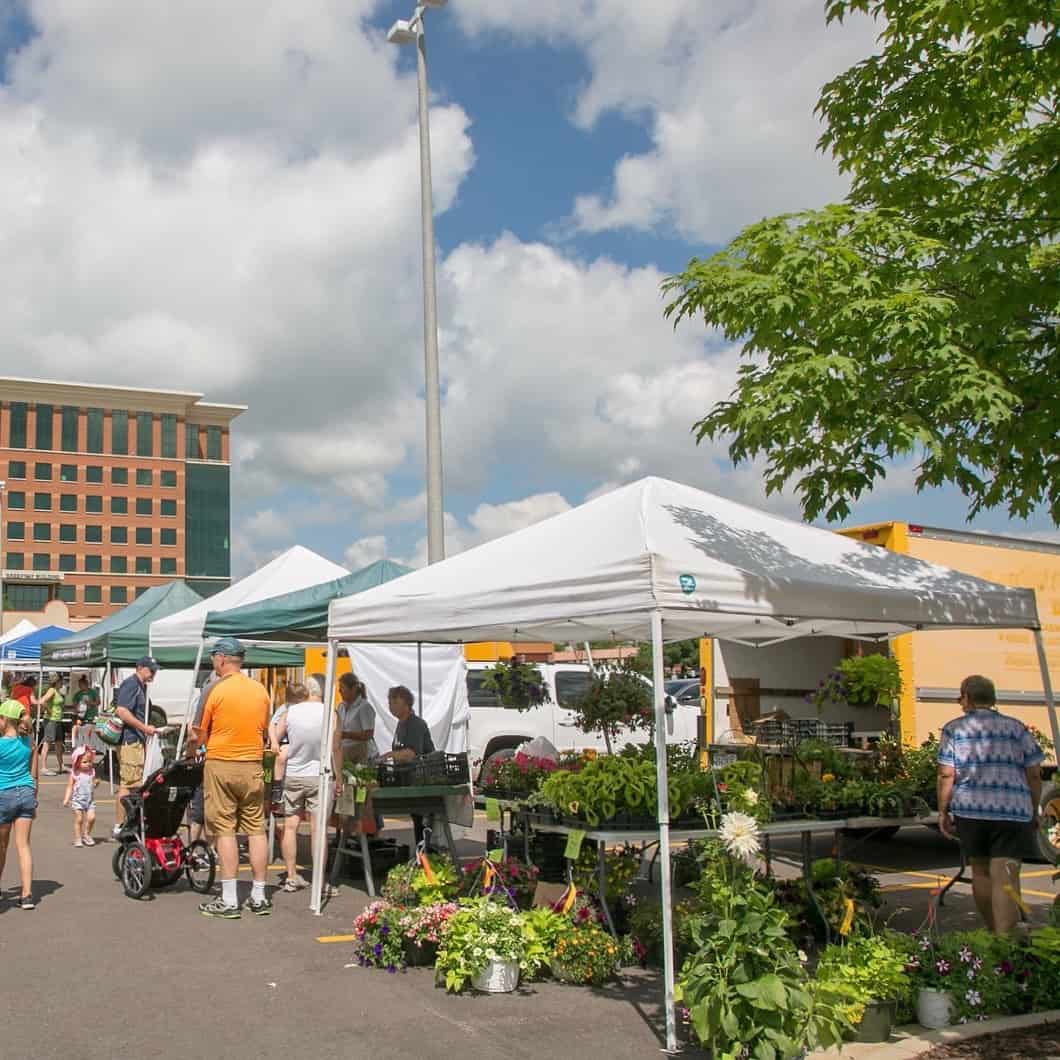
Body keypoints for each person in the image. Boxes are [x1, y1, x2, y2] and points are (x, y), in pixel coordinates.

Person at [937, 674, 1044, 934]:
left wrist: (943, 811)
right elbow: (1034, 773)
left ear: (969, 698)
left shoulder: (954, 729)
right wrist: (1033, 805)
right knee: (1004, 873)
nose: (959, 702)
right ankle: (1008, 940)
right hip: (1011, 810)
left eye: (960, 697)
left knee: (981, 872)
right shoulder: (1016, 728)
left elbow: (946, 774)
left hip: (971, 811)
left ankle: (994, 932)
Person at [186, 638, 271, 920]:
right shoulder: (261, 691)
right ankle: (259, 896)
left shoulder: (214, 688)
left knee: (224, 830)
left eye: (213, 658)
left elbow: (199, 734)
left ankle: (230, 898)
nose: (213, 662)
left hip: (222, 763)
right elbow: (263, 728)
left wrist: (190, 749)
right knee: (255, 829)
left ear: (222, 659)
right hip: (252, 764)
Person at [274, 677, 341, 893]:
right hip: (320, 775)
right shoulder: (330, 713)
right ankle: (320, 882)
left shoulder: (290, 712)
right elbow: (336, 748)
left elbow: (274, 738)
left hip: (293, 774)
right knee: (318, 829)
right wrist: (339, 777)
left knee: (290, 826)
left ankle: (292, 876)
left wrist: (284, 748)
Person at [379, 685, 435, 846]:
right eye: (389, 702)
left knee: (422, 821)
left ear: (405, 703)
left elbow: (411, 753)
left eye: (394, 702)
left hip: (422, 779)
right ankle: (421, 855)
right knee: (416, 820)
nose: (390, 706)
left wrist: (387, 756)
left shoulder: (415, 724)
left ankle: (424, 857)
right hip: (408, 779)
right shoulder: (401, 724)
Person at [112, 658, 160, 837]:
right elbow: (122, 711)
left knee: (134, 782)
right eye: (151, 670)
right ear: (140, 668)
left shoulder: (140, 685)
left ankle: (127, 822)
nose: (153, 673)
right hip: (130, 740)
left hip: (136, 740)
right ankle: (119, 824)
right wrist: (144, 728)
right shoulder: (131, 684)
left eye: (155, 670)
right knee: (129, 783)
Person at [0, 698, 38, 908]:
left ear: (5, 720)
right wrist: (34, 797)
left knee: (1, 846)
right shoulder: (27, 742)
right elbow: (34, 774)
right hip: (26, 793)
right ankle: (27, 894)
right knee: (23, 845)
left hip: (3, 794)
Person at [337, 673, 377, 765]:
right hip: (346, 754)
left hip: (362, 756)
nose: (339, 690)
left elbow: (368, 734)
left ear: (353, 689)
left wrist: (345, 734)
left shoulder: (364, 707)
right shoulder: (341, 706)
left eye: (342, 687)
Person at [63, 746, 99, 847]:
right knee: (79, 819)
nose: (88, 764)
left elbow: (92, 783)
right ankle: (78, 838)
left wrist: (95, 783)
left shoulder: (92, 772)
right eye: (85, 762)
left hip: (89, 801)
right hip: (77, 800)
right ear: (77, 762)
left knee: (92, 818)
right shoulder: (75, 773)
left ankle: (86, 834)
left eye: (90, 761)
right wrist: (66, 799)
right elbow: (69, 787)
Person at [37, 674, 67, 776]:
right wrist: (48, 710)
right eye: (61, 682)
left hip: (57, 720)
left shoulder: (58, 692)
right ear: (57, 682)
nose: (63, 683)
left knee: (59, 743)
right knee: (47, 742)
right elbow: (42, 701)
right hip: (51, 720)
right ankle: (44, 767)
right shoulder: (52, 690)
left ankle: (61, 765)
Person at [71, 676, 100, 749]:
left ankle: (90, 747)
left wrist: (90, 703)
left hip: (92, 716)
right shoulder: (78, 694)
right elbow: (74, 705)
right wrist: (78, 708)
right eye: (79, 685)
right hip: (81, 717)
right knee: (82, 732)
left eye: (81, 685)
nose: (80, 686)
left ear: (86, 684)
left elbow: (98, 702)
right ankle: (82, 747)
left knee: (90, 732)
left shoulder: (93, 692)